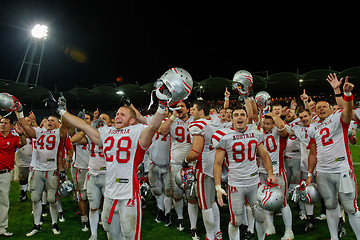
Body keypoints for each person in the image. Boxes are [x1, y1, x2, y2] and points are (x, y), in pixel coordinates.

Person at [59, 95, 166, 239]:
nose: (117, 116)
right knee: (111, 233)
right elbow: (83, 126)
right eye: (117, 114)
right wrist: (61, 111)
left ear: (132, 120)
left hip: (128, 194)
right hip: (109, 194)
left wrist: (162, 106)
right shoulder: (106, 132)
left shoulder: (137, 131)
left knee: (130, 234)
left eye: (122, 114)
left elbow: (153, 126)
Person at [306, 76, 360, 240]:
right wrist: (309, 174)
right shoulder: (313, 127)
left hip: (342, 169)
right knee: (330, 205)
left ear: (331, 108)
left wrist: (344, 93)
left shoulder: (338, 118)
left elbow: (348, 111)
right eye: (319, 107)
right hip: (323, 171)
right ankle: (334, 237)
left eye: (325, 106)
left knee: (351, 207)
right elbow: (313, 153)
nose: (321, 109)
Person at [213, 106, 277, 240]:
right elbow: (218, 163)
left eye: (242, 114)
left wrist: (270, 174)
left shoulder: (256, 132)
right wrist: (218, 187)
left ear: (247, 118)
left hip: (254, 182)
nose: (239, 117)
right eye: (236, 115)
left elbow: (264, 155)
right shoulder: (224, 136)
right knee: (236, 220)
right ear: (231, 119)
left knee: (260, 216)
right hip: (235, 183)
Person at [16, 111, 67, 236]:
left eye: (52, 120)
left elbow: (65, 127)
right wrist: (19, 111)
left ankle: (54, 223)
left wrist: (62, 111)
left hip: (52, 170)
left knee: (52, 199)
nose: (49, 122)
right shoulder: (39, 131)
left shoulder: (59, 133)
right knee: (35, 198)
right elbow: (26, 126)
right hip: (38, 169)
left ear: (58, 123)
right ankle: (36, 225)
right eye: (48, 120)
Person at [158, 101, 199, 236]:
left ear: (188, 109)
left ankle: (193, 227)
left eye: (182, 106)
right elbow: (161, 131)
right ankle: (180, 218)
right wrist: (172, 116)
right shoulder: (171, 120)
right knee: (177, 194)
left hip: (192, 162)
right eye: (177, 106)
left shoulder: (195, 120)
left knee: (191, 195)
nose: (180, 108)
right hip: (175, 162)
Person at [184, 100, 222, 240]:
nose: (190, 111)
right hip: (217, 164)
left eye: (193, 109)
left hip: (204, 166)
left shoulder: (197, 125)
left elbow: (195, 152)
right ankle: (217, 233)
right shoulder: (214, 120)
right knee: (212, 201)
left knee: (205, 205)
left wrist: (186, 161)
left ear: (201, 111)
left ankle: (211, 236)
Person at [260, 112, 294, 240]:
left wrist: (273, 115)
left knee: (283, 202)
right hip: (262, 170)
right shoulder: (261, 133)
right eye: (264, 123)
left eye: (268, 124)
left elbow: (282, 127)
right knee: (265, 200)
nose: (265, 126)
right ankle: (270, 226)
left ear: (274, 124)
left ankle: (289, 231)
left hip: (278, 171)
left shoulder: (280, 132)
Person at [0, 116, 26, 237]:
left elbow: (23, 143)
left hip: (4, 174)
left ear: (11, 126)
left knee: (4, 201)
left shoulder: (14, 138)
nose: (2, 125)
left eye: (5, 123)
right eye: (1, 122)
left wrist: (21, 134)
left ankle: (2, 228)